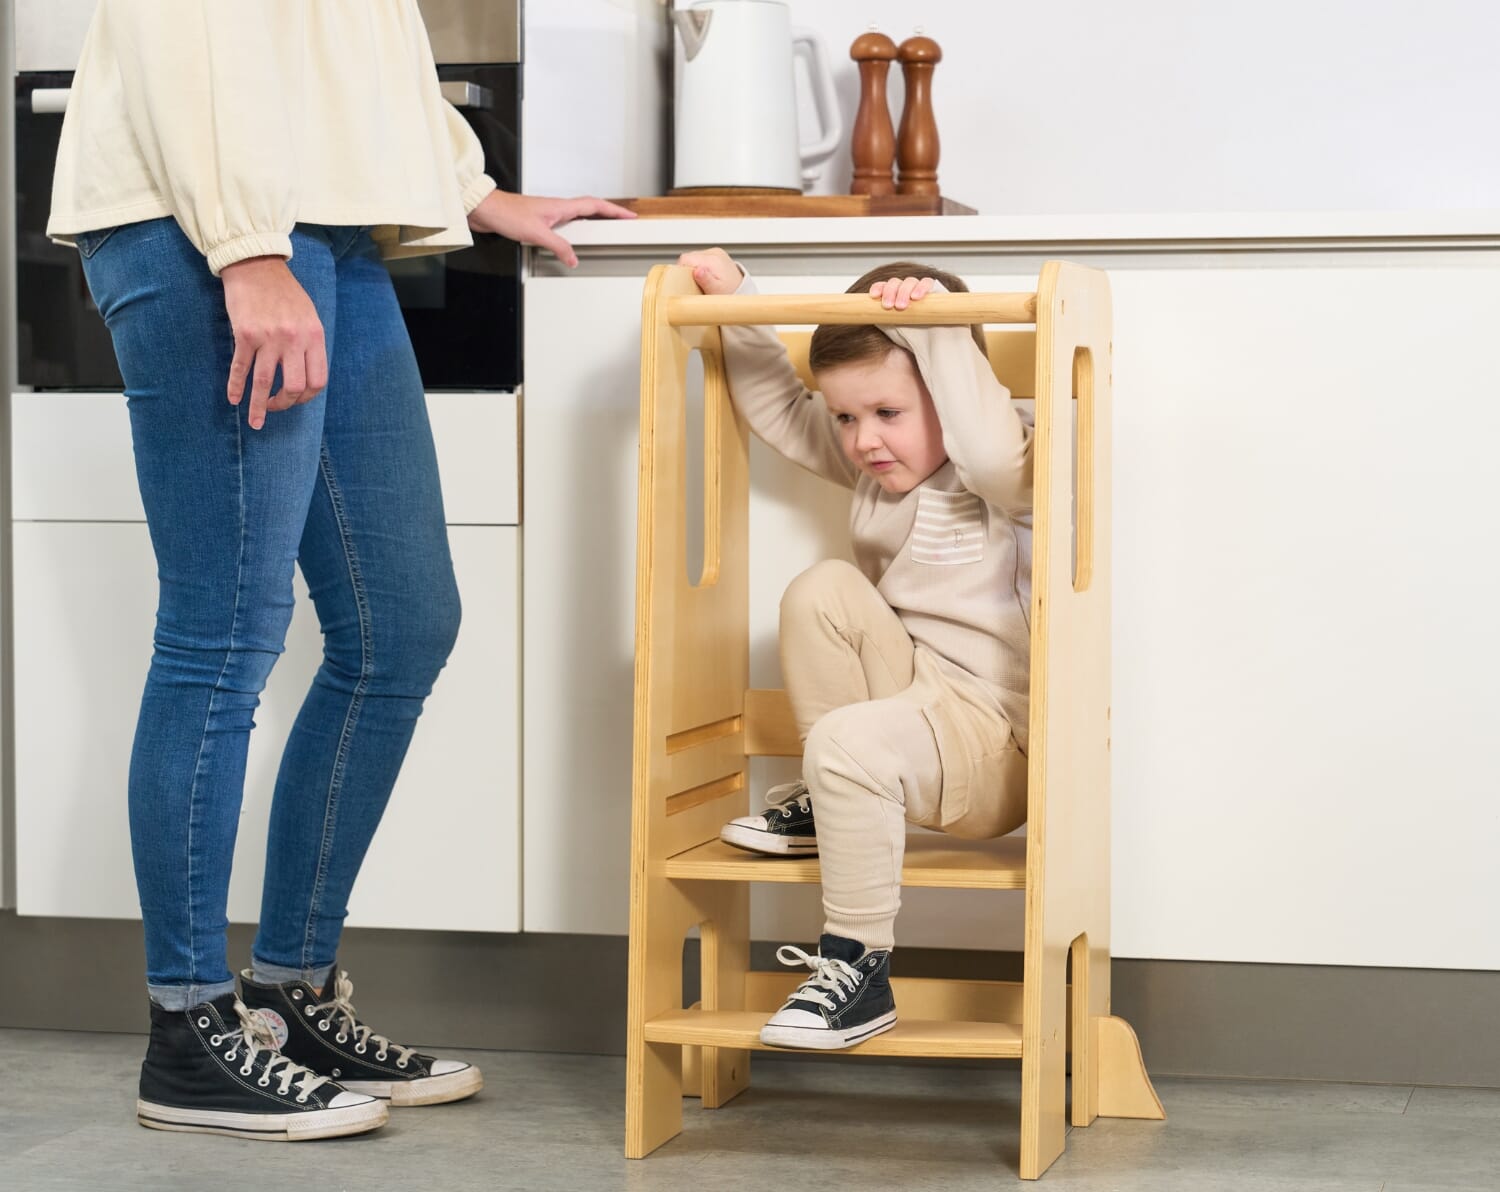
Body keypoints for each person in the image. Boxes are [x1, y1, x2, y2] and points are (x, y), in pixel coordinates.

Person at [46, 1, 634, 1140]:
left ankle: (288, 995)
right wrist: (246, 246)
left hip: (331, 232)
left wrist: (471, 189)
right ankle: (186, 1031)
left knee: (401, 622)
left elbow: (348, 45)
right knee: (222, 629)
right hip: (206, 229)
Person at [678, 248, 1032, 1050]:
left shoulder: (1016, 473)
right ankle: (827, 794)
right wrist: (741, 298)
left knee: (842, 739)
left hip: (997, 752)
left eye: (888, 413)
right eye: (846, 418)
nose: (864, 440)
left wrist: (936, 325)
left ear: (951, 389)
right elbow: (778, 405)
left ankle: (858, 967)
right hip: (918, 715)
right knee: (822, 589)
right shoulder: (881, 474)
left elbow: (987, 450)